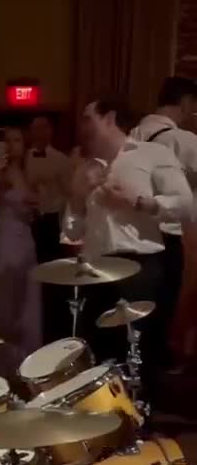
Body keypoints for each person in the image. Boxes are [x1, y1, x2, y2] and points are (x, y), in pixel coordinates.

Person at [64, 95, 193, 388]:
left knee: (140, 351)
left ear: (109, 118)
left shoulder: (152, 154)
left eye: (88, 118)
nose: (82, 126)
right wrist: (77, 197)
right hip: (95, 269)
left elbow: (185, 204)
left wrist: (138, 201)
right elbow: (72, 231)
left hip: (139, 268)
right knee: (98, 353)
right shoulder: (83, 169)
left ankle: (142, 410)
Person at [132, 77, 197, 364]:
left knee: (133, 312)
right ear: (185, 103)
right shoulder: (183, 140)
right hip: (164, 241)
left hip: (129, 237)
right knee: (160, 312)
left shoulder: (132, 134)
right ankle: (151, 375)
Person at [0, 127, 43, 376]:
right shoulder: (2, 172)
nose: (12, 144)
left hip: (25, 238)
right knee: (5, 300)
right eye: (8, 140)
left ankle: (24, 364)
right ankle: (3, 366)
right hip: (6, 238)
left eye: (17, 139)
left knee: (26, 300)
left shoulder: (25, 171)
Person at [26, 115, 70, 264]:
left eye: (44, 127)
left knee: (51, 262)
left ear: (51, 131)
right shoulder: (23, 158)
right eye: (36, 128)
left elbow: (68, 192)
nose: (40, 132)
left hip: (52, 220)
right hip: (28, 219)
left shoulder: (61, 159)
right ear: (30, 131)